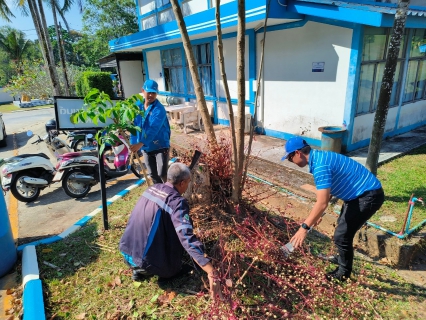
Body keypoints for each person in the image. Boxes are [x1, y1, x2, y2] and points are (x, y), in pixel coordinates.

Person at [282, 136, 384, 281]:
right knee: (342, 231)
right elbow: (327, 194)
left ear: (297, 153)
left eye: (289, 158)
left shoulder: (320, 166)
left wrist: (303, 228)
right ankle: (342, 260)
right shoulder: (319, 157)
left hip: (368, 196)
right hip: (357, 195)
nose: (290, 161)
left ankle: (343, 274)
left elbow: (321, 202)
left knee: (342, 236)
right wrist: (318, 215)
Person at [119, 163, 222, 299]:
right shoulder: (177, 202)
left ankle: (139, 270)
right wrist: (210, 270)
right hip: (144, 262)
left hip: (126, 250)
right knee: (179, 261)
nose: (187, 187)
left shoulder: (153, 188)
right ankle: (163, 273)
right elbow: (186, 237)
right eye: (188, 183)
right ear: (182, 182)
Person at [130, 79, 170, 184]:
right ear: (143, 91)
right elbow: (134, 127)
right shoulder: (137, 107)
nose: (151, 95)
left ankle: (169, 193)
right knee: (153, 174)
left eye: (154, 93)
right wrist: (133, 143)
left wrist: (140, 143)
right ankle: (158, 196)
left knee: (162, 173)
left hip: (160, 145)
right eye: (149, 92)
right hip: (146, 147)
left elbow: (153, 129)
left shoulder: (159, 109)